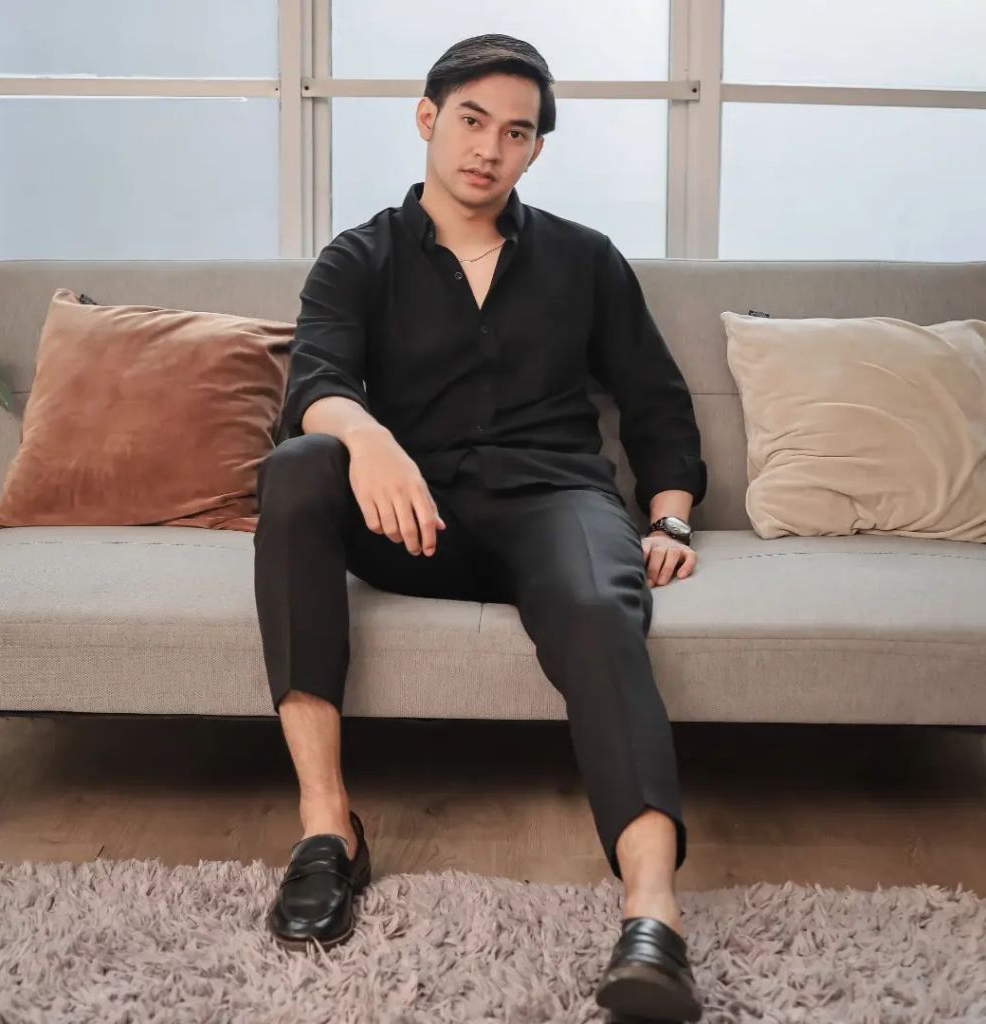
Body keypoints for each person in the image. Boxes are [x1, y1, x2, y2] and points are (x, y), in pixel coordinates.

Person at [253, 32, 706, 1021]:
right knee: (297, 470)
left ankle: (652, 914)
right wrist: (368, 439)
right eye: (471, 120)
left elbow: (656, 403)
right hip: (412, 520)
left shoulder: (585, 259)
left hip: (554, 505)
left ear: (535, 148)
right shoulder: (359, 256)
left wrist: (669, 517)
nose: (489, 148)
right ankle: (328, 829)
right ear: (427, 118)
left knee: (599, 604)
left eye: (516, 132)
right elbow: (315, 382)